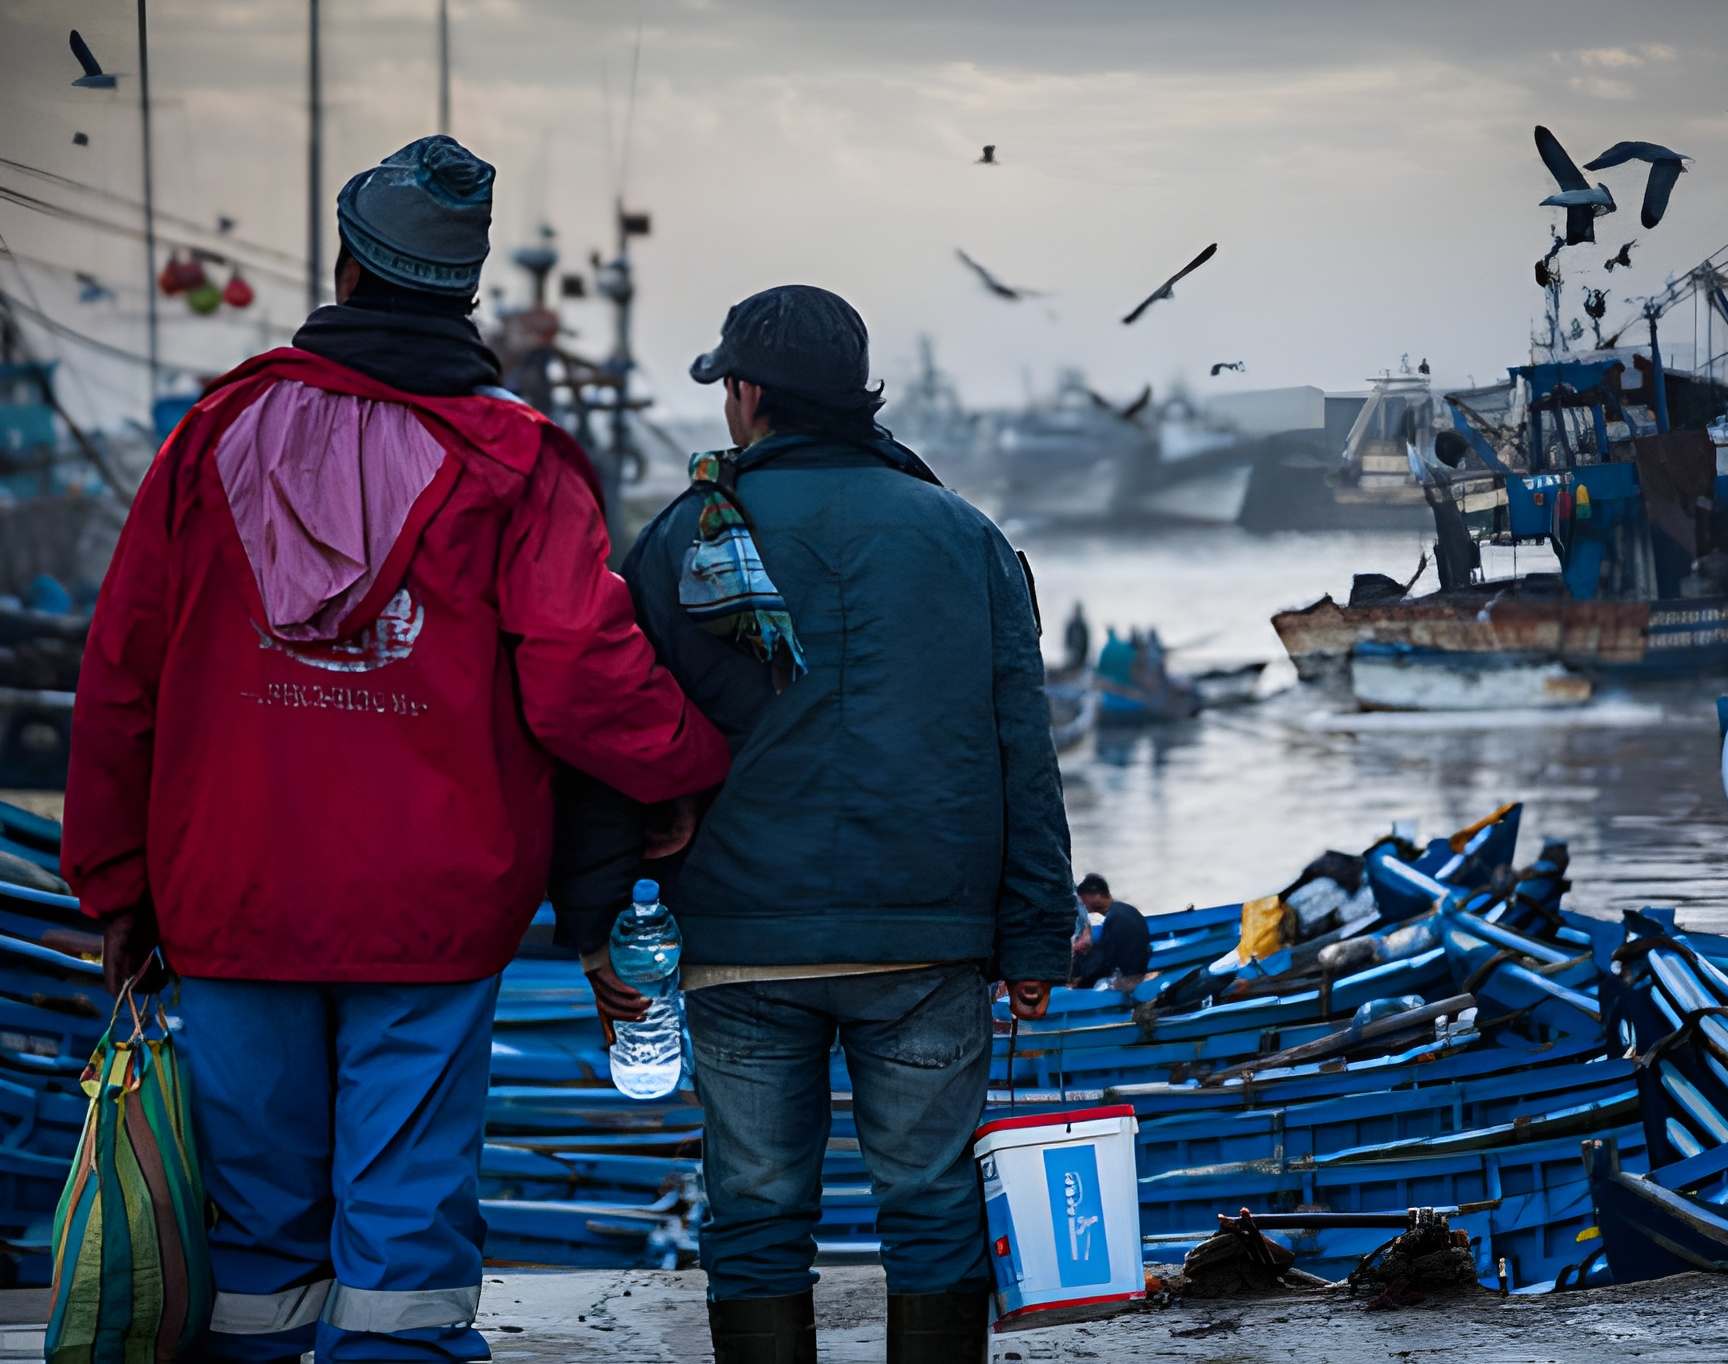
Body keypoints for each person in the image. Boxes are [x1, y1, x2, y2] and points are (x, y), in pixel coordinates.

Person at [60, 135, 731, 1364]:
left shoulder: (212, 435)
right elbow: (584, 676)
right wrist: (684, 766)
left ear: (344, 269)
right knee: (405, 1237)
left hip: (229, 897)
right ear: (464, 293)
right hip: (432, 906)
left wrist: (113, 883)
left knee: (256, 1242)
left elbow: (121, 675)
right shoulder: (519, 460)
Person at [552, 284, 1073, 1362]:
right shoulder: (964, 535)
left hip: (741, 943)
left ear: (747, 394)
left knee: (752, 1213)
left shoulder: (681, 536)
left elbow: (612, 734)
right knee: (930, 1207)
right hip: (925, 939)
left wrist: (595, 918)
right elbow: (1023, 743)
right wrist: (1032, 932)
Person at [1070, 873, 1151, 988]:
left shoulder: (1115, 919)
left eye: (1084, 900)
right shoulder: (1125, 909)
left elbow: (1106, 962)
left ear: (1096, 896)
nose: (1084, 905)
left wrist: (1081, 983)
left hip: (1129, 979)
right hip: (1139, 969)